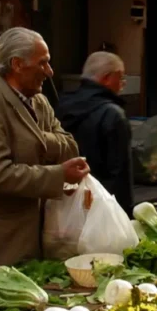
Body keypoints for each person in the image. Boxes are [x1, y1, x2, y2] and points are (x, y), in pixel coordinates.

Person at [0, 28, 89, 271]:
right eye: (42, 64)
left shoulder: (39, 101)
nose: (49, 72)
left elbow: (70, 146)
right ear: (17, 64)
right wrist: (58, 174)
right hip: (1, 247)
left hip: (39, 238)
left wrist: (37, 138)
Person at [58, 51, 133, 213]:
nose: (123, 84)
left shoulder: (61, 106)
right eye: (120, 78)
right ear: (107, 78)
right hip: (102, 205)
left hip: (65, 199)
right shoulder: (113, 115)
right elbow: (120, 175)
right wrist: (125, 216)